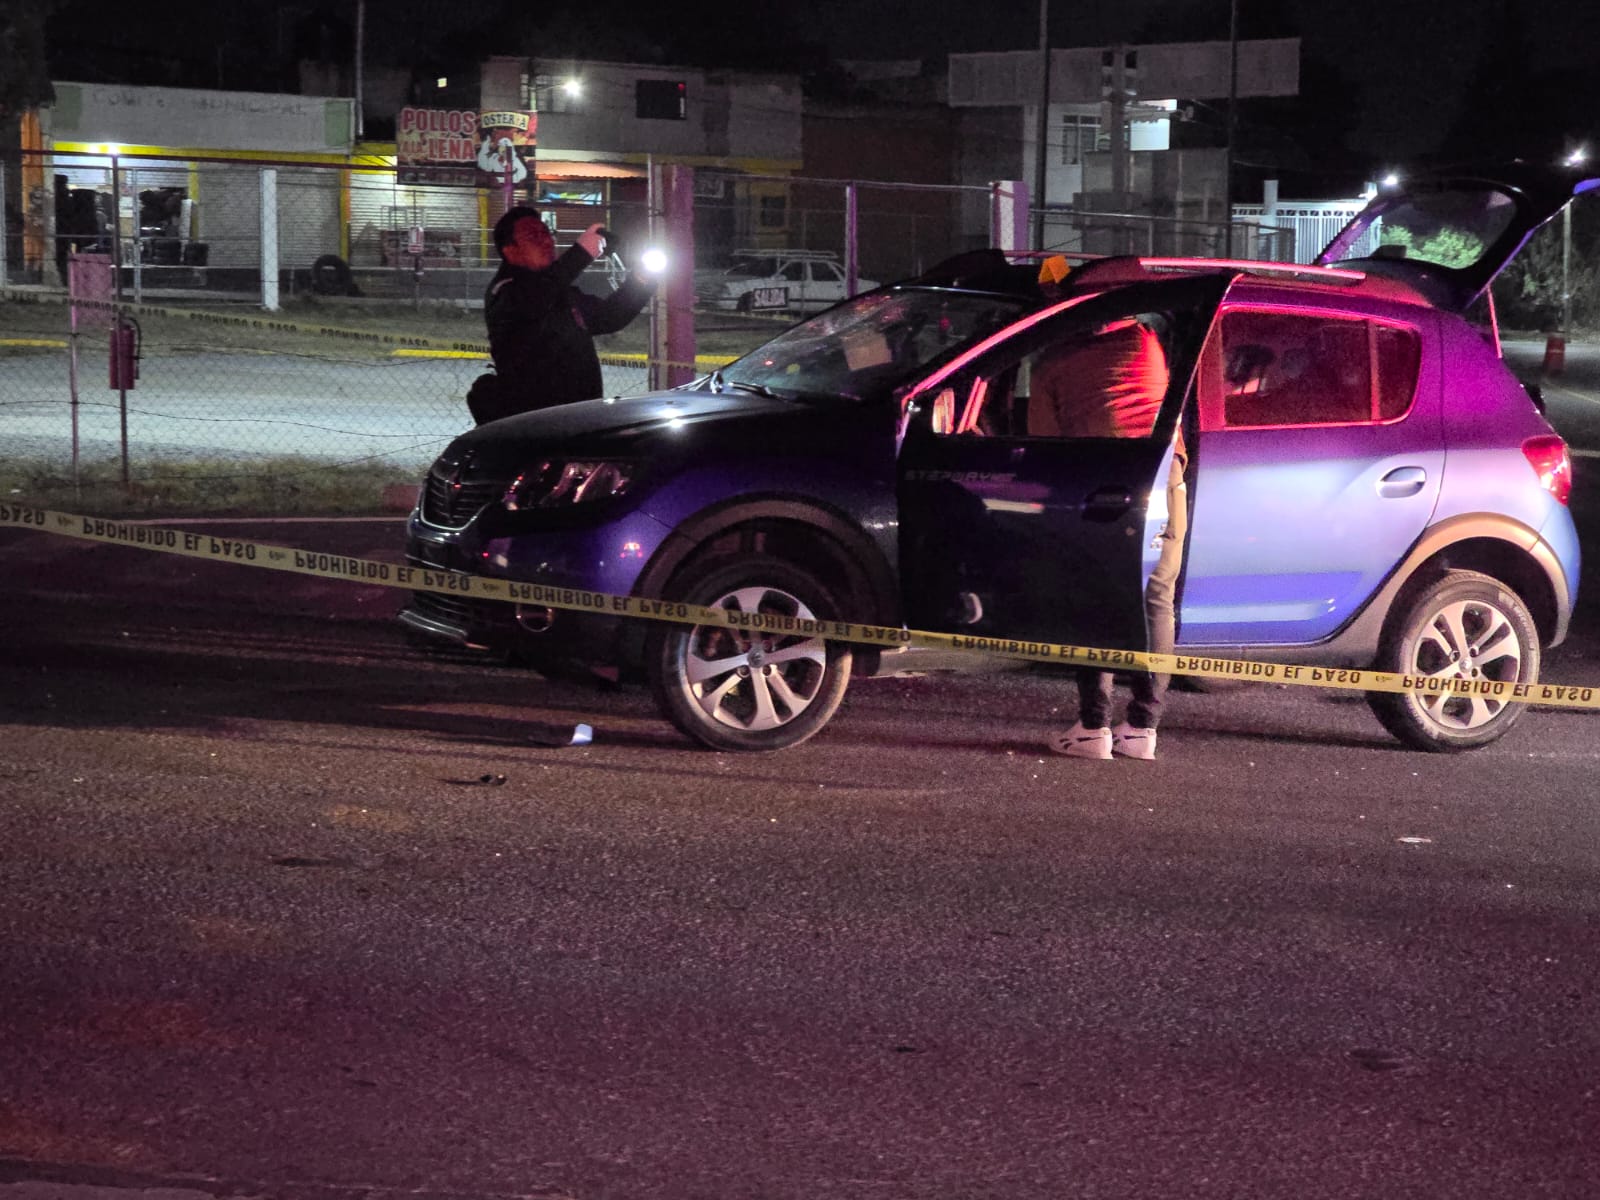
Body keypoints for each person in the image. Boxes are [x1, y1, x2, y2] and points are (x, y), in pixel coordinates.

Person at [1034, 315, 1185, 761]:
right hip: (1162, 475)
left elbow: (1045, 448)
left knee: (1093, 600)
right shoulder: (1147, 344)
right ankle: (1142, 728)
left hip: (1102, 478)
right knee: (1157, 598)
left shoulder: (1052, 361)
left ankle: (1093, 726)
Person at [470, 206, 655, 424]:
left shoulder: (560, 292)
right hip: (533, 426)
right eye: (533, 236)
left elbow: (609, 316)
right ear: (510, 251)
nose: (546, 241)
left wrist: (642, 279)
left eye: (546, 233)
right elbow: (534, 301)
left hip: (578, 420)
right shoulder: (505, 291)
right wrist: (582, 253)